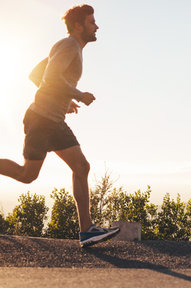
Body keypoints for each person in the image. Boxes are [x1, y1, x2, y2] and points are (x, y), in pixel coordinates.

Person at [0, 4, 119, 247]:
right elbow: (51, 78)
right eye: (91, 22)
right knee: (27, 175)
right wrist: (78, 94)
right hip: (42, 121)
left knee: (81, 167)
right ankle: (87, 230)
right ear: (78, 26)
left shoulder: (67, 46)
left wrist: (63, 102)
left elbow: (36, 75)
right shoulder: (69, 46)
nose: (97, 26)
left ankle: (87, 230)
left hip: (52, 119)